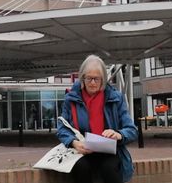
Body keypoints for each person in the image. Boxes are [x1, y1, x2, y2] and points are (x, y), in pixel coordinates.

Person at [56, 54, 138, 183]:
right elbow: (62, 129)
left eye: (97, 79)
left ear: (103, 80)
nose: (93, 83)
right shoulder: (71, 99)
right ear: (82, 78)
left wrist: (119, 135)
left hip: (110, 152)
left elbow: (132, 130)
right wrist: (74, 142)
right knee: (81, 167)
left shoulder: (116, 98)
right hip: (82, 151)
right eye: (89, 78)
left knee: (109, 168)